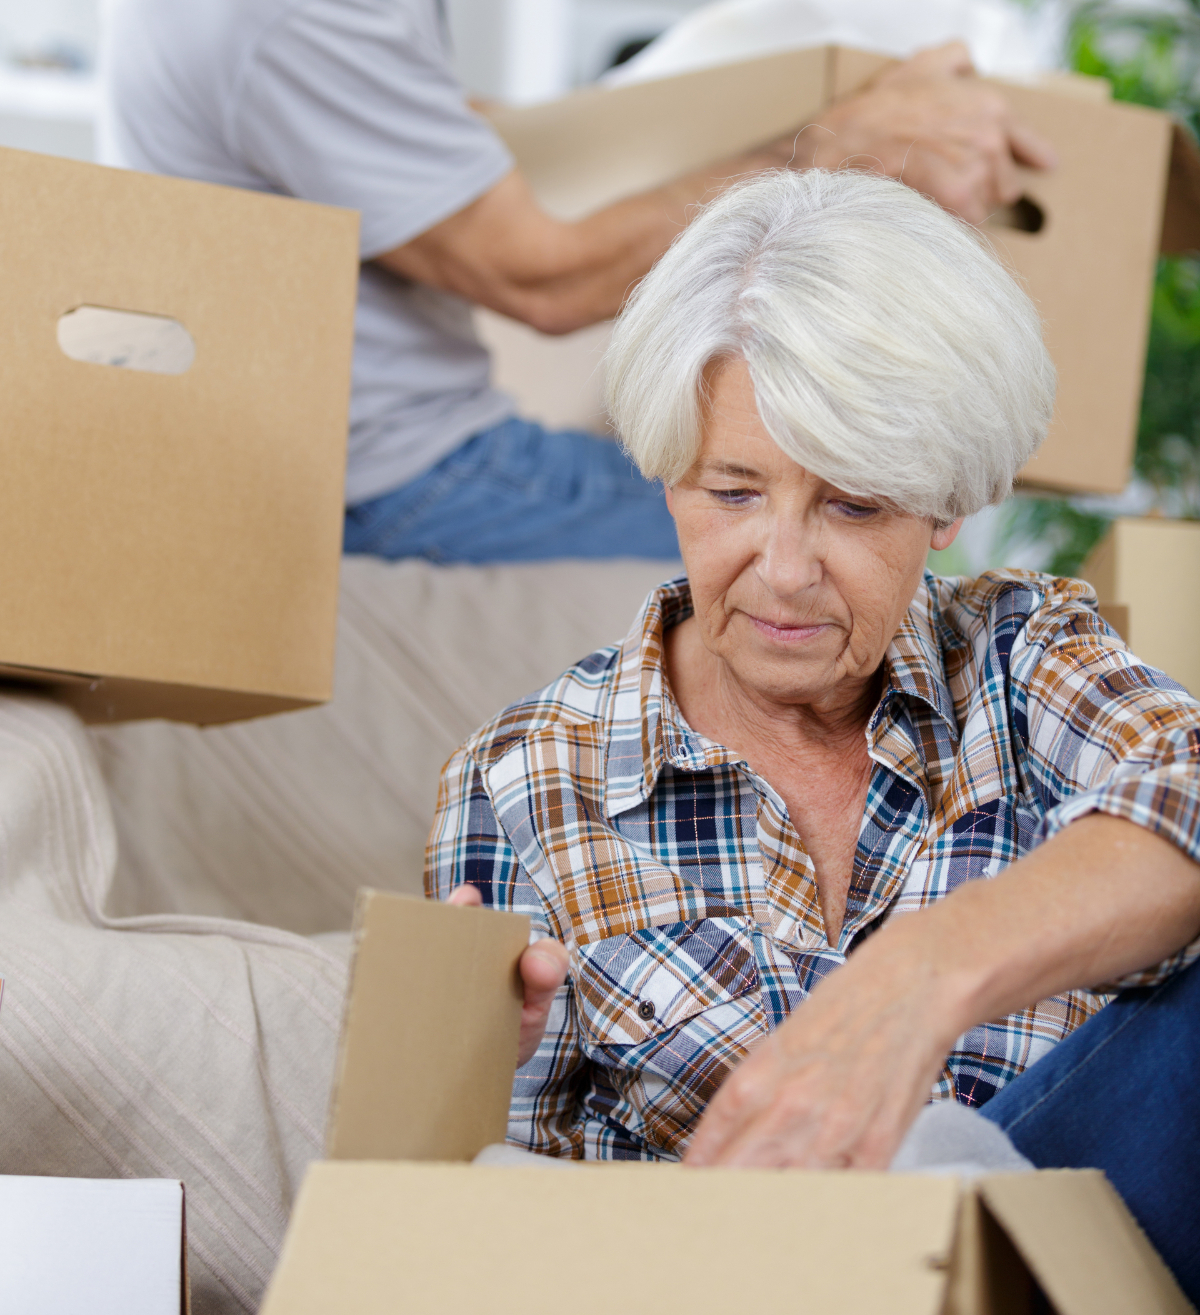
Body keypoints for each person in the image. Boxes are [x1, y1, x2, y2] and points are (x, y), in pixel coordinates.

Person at [426, 169, 1200, 1297]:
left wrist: (922, 981)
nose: (783, 571)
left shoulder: (1023, 659)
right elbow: (485, 1233)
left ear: (946, 504)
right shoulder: (523, 780)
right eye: (733, 492)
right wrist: (476, 1060)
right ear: (670, 472)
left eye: (854, 504)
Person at [102, 0, 1054, 563]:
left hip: (340, 445)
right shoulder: (298, 13)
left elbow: (416, 125)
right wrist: (837, 152)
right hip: (380, 477)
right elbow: (544, 279)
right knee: (857, 553)